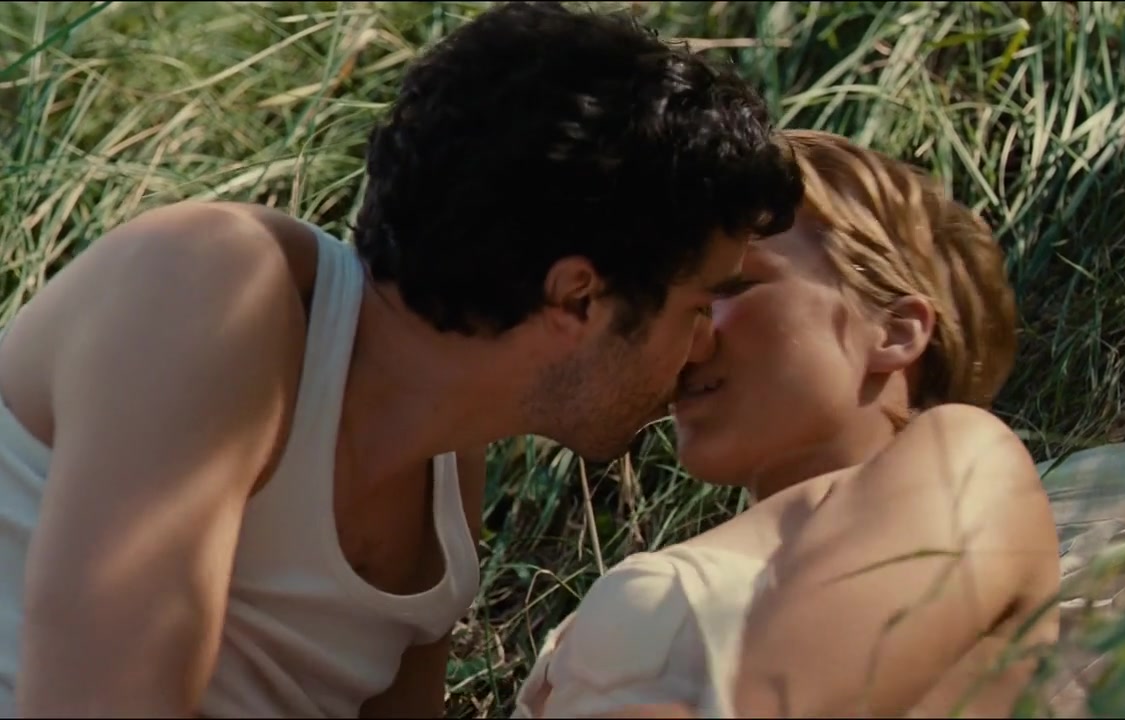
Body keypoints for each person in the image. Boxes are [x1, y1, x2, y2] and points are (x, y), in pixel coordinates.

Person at [0, 3, 804, 717]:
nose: (706, 341)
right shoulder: (211, 284)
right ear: (577, 298)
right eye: (698, 306)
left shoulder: (450, 468)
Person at [514, 130, 1062, 718]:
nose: (688, 342)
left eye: (731, 289)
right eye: (681, 305)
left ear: (895, 330)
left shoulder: (968, 456)